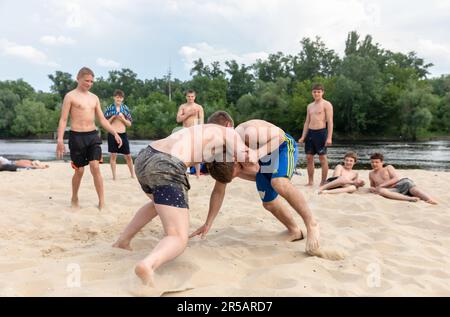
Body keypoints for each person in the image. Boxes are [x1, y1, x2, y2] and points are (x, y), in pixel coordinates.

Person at [113, 124, 258, 286]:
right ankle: (148, 265)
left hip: (145, 156)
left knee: (157, 203)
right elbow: (250, 160)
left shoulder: (206, 133)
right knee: (178, 237)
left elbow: (227, 173)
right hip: (167, 164)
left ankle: (123, 241)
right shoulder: (231, 134)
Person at [190, 112, 321, 254]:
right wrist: (208, 223)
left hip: (282, 147)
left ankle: (311, 224)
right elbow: (219, 189)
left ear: (228, 126)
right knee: (269, 203)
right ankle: (295, 231)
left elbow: (280, 137)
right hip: (263, 161)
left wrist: (257, 154)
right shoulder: (225, 150)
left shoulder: (247, 131)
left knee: (279, 182)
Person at [56, 67, 122, 210]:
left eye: (91, 81)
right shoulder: (70, 96)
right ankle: (74, 197)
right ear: (78, 78)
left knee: (95, 167)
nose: (89, 83)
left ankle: (102, 201)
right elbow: (63, 120)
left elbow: (103, 120)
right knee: (79, 171)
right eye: (86, 80)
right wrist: (60, 140)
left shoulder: (94, 98)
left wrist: (114, 133)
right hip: (76, 136)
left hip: (92, 135)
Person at [298, 84, 334, 186]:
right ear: (312, 93)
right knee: (309, 157)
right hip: (310, 133)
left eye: (318, 91)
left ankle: (323, 182)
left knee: (322, 158)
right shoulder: (309, 106)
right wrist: (303, 136)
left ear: (322, 92)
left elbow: (330, 122)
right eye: (314, 92)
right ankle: (310, 181)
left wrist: (329, 137)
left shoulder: (327, 104)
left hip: (321, 133)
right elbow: (306, 122)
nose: (316, 93)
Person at [368, 153, 437, 204]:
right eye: (372, 162)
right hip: (392, 190)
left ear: (382, 162)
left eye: (376, 162)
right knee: (381, 191)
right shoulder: (371, 174)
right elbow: (373, 186)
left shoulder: (388, 167)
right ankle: (409, 198)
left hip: (400, 184)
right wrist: (372, 188)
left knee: (413, 189)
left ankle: (429, 199)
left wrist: (381, 185)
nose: (374, 164)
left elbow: (396, 178)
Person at [104, 89, 135, 180]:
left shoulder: (125, 108)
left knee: (128, 156)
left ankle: (132, 174)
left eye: (120, 97)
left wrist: (122, 119)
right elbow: (105, 123)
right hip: (112, 134)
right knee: (113, 155)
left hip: (123, 134)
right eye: (117, 97)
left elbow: (129, 124)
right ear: (114, 97)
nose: (119, 99)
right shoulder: (109, 108)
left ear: (122, 99)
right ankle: (114, 176)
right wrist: (113, 116)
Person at [176, 90, 204, 178]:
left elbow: (202, 121)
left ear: (195, 97)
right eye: (189, 96)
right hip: (185, 130)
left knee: (196, 153)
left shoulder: (199, 107)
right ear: (186, 97)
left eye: (192, 96)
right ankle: (186, 172)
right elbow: (178, 119)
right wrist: (188, 114)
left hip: (195, 130)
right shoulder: (183, 107)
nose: (190, 98)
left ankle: (198, 174)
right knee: (185, 151)